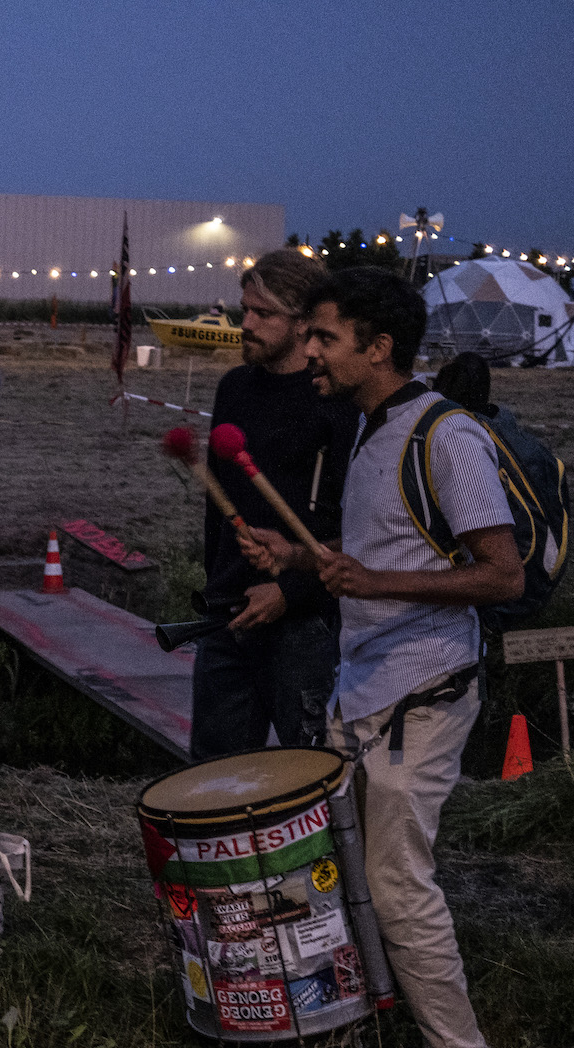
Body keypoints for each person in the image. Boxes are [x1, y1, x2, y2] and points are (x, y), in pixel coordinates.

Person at [241, 267, 522, 1048]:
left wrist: (373, 585)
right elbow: (380, 560)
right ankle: (359, 1032)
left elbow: (501, 576)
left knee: (399, 884)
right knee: (342, 876)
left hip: (424, 692)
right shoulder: (372, 431)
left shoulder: (447, 437)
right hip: (363, 692)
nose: (312, 351)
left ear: (380, 346)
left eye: (327, 337)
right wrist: (297, 557)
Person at [190, 249, 354, 758]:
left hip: (304, 623)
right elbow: (218, 507)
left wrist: (293, 591)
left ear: (303, 322)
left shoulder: (334, 397)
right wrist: (216, 585)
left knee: (311, 777)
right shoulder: (234, 387)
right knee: (215, 777)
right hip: (229, 615)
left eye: (264, 314)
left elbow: (358, 525)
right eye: (246, 310)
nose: (247, 323)